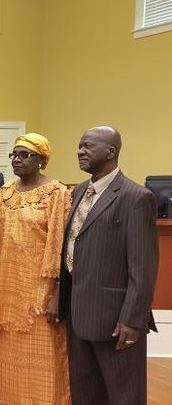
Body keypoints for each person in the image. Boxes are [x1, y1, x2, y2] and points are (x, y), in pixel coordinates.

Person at [59, 126, 158, 405]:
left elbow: (143, 267)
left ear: (110, 152)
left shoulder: (135, 197)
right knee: (85, 392)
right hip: (77, 313)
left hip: (116, 321)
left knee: (123, 395)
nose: (80, 151)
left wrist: (132, 319)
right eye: (79, 145)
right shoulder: (79, 191)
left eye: (88, 146)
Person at [0, 133, 71, 404]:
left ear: (41, 160)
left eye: (25, 155)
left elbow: (61, 245)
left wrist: (58, 293)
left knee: (45, 361)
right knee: (10, 363)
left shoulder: (57, 193)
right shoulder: (4, 193)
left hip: (41, 295)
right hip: (8, 291)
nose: (17, 159)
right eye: (14, 154)